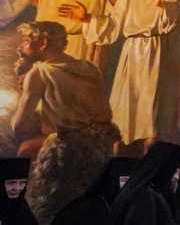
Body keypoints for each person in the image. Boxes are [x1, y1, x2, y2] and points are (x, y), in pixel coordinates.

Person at [89, 0, 180, 150]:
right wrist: (89, 16)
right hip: (131, 50)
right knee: (121, 112)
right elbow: (119, 15)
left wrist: (163, 3)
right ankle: (117, 172)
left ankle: (146, 173)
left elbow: (177, 7)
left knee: (148, 113)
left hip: (155, 47)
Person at [9, 21, 111, 155]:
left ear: (43, 43)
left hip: (65, 144)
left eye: (26, 41)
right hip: (97, 142)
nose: (21, 46)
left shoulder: (38, 73)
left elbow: (19, 126)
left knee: (24, 149)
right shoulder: (89, 68)